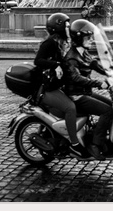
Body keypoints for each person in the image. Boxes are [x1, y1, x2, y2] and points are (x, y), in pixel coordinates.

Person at [33, 13, 85, 159]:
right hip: (48, 88)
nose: (69, 28)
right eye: (67, 25)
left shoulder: (63, 41)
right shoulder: (49, 43)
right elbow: (38, 61)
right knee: (70, 108)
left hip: (58, 85)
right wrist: (55, 65)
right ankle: (74, 145)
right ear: (59, 27)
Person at [62, 19, 113, 161]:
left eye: (91, 37)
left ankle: (96, 134)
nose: (91, 40)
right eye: (88, 37)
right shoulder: (71, 57)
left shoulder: (83, 53)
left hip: (85, 93)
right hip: (76, 96)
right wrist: (99, 83)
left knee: (112, 105)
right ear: (79, 38)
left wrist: (111, 72)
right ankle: (95, 145)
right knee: (107, 111)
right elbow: (76, 78)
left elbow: (94, 64)